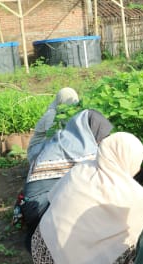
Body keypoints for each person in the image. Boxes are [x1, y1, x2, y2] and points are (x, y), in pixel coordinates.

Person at [31, 132, 143, 264]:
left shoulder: (80, 170)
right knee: (137, 240)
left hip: (43, 256)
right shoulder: (137, 198)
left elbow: (53, 199)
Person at [18, 88, 113, 252]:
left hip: (33, 204)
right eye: (100, 134)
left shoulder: (65, 139)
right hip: (39, 208)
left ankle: (41, 238)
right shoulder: (81, 151)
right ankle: (46, 242)